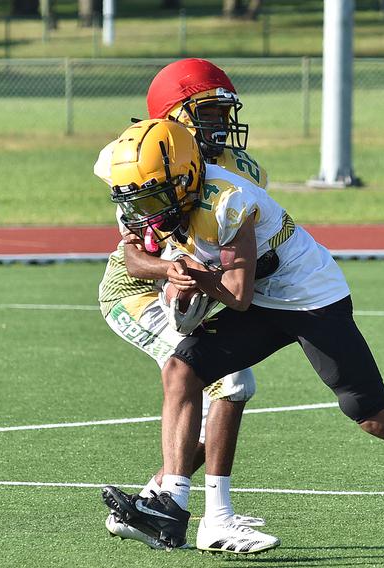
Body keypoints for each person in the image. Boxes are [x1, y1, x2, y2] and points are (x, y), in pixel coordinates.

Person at [99, 118, 384, 565]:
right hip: (260, 295)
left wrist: (193, 277)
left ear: (186, 177)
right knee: (181, 368)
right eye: (139, 198)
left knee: (371, 413)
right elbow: (132, 253)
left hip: (308, 298)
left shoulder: (228, 201)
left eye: (154, 197)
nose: (146, 209)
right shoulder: (141, 194)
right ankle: (172, 501)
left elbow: (238, 295)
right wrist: (167, 270)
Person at [95, 58, 279, 554]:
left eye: (224, 114)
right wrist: (171, 271)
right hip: (134, 294)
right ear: (175, 118)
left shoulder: (242, 170)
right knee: (233, 381)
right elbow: (134, 256)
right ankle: (215, 518)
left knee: (225, 393)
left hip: (197, 287)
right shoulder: (143, 161)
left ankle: (154, 504)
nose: (220, 125)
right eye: (209, 114)